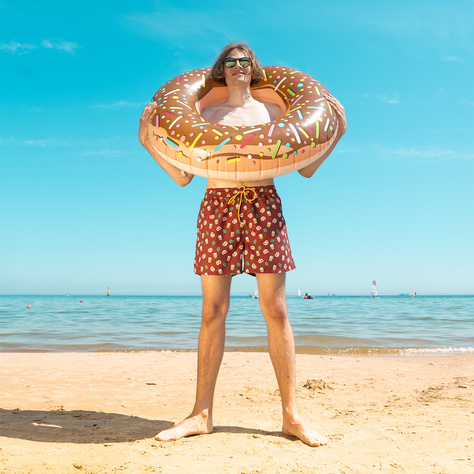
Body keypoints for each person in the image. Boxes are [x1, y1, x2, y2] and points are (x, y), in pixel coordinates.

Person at [138, 43, 347, 447]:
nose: (238, 67)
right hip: (216, 205)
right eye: (230, 62)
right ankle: (201, 413)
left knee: (277, 309)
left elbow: (305, 170)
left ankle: (291, 416)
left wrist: (338, 131)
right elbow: (183, 178)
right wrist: (149, 141)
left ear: (254, 69)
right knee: (213, 310)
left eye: (244, 61)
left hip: (263, 204)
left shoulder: (272, 113)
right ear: (221, 69)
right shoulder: (205, 114)